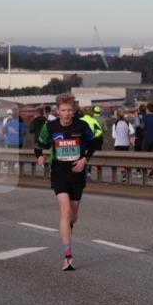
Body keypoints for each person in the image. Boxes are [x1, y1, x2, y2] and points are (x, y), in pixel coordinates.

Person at [35, 95, 97, 270]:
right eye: (63, 110)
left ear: (74, 110)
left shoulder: (82, 126)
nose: (67, 113)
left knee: (73, 216)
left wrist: (85, 159)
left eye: (69, 110)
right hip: (59, 173)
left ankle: (69, 227)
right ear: (58, 111)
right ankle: (67, 256)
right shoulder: (50, 127)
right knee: (66, 210)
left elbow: (94, 144)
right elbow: (38, 146)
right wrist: (39, 156)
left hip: (78, 174)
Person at [112, 111, 134, 182]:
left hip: (118, 144)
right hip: (126, 144)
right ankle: (126, 173)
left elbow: (114, 136)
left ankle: (123, 174)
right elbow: (132, 131)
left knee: (119, 160)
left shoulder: (115, 124)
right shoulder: (128, 123)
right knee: (125, 159)